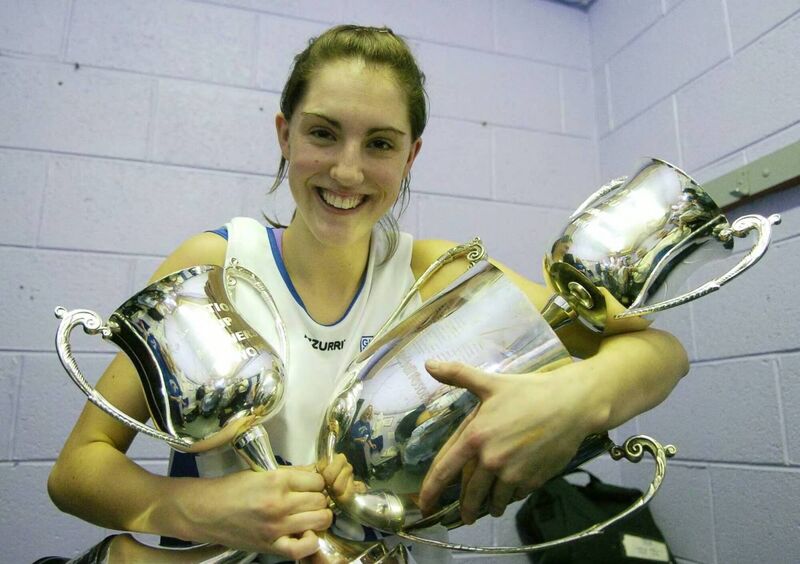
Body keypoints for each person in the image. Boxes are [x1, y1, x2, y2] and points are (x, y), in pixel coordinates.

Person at [47, 25, 688, 562]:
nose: (347, 170)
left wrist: (573, 400)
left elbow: (661, 354)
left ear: (410, 157)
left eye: (380, 143)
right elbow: (76, 470)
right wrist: (199, 507)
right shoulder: (218, 265)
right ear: (285, 135)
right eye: (323, 133)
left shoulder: (438, 274)